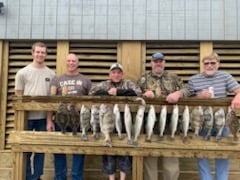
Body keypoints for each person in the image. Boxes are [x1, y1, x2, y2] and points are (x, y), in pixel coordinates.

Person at [137, 52, 189, 180]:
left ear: (164, 63)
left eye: (161, 61)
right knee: (150, 160)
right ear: (151, 63)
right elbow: (134, 92)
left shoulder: (174, 78)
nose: (158, 63)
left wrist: (178, 93)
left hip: (171, 124)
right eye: (155, 61)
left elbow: (188, 90)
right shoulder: (143, 78)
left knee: (171, 160)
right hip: (149, 124)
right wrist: (144, 94)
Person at [188, 52, 240, 180]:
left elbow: (239, 90)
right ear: (203, 64)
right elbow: (188, 98)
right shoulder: (193, 79)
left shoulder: (225, 76)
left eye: (213, 63)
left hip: (222, 121)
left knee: (223, 153)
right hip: (201, 122)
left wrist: (236, 98)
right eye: (207, 63)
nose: (209, 66)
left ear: (218, 64)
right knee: (201, 152)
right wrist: (199, 97)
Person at [89, 63, 142, 180]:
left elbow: (138, 93)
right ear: (110, 74)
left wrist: (118, 92)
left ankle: (123, 178)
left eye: (118, 72)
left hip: (124, 121)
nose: (116, 74)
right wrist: (107, 93)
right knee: (108, 151)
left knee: (125, 151)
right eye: (114, 72)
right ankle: (111, 178)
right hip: (107, 121)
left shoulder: (128, 83)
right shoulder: (104, 84)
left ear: (122, 74)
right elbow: (92, 92)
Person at [46, 53, 92, 180]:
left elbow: (92, 104)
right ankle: (60, 177)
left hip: (79, 121)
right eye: (68, 61)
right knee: (59, 150)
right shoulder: (57, 80)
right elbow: (51, 101)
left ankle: (77, 177)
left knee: (79, 150)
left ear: (78, 63)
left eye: (73, 61)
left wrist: (91, 123)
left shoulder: (86, 81)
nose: (71, 63)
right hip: (60, 120)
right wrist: (49, 120)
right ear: (65, 63)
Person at [15, 42, 55, 180]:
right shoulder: (22, 73)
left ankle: (37, 176)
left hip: (43, 118)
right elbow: (18, 97)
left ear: (46, 54)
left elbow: (51, 100)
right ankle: (26, 176)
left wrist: (50, 120)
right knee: (26, 149)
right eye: (37, 52)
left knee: (40, 150)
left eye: (43, 52)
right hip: (26, 118)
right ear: (32, 53)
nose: (40, 54)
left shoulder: (51, 74)